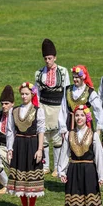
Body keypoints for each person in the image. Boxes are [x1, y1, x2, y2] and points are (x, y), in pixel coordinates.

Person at [57, 105, 103, 206]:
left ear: (86, 117)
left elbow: (99, 156)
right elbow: (64, 153)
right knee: (77, 203)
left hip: (89, 170)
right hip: (74, 170)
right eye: (77, 115)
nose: (79, 118)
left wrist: (101, 175)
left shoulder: (93, 135)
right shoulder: (69, 134)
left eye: (81, 115)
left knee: (90, 202)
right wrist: (62, 171)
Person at [6, 82, 45, 206]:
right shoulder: (14, 110)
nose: (24, 96)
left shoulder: (38, 110)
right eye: (22, 94)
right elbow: (10, 131)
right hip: (19, 144)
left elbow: (41, 131)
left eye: (26, 94)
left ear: (32, 94)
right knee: (20, 174)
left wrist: (40, 149)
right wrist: (10, 149)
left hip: (32, 143)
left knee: (31, 174)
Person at [35, 39, 70, 177]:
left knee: (57, 138)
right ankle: (45, 166)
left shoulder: (63, 71)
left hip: (57, 106)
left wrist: (65, 109)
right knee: (43, 137)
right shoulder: (39, 73)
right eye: (45, 58)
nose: (48, 61)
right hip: (43, 106)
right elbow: (37, 92)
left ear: (55, 57)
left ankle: (57, 166)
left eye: (50, 58)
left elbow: (66, 90)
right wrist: (37, 108)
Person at [58, 65, 103, 135]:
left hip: (85, 125)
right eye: (73, 77)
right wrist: (63, 128)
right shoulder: (67, 90)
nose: (74, 79)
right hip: (70, 124)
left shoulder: (90, 92)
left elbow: (98, 109)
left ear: (83, 77)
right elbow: (63, 109)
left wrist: (99, 128)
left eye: (77, 77)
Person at [0, 85, 15, 195]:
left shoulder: (17, 115)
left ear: (12, 104)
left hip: (13, 148)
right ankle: (6, 184)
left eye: (7, 104)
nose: (4, 106)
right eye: (2, 103)